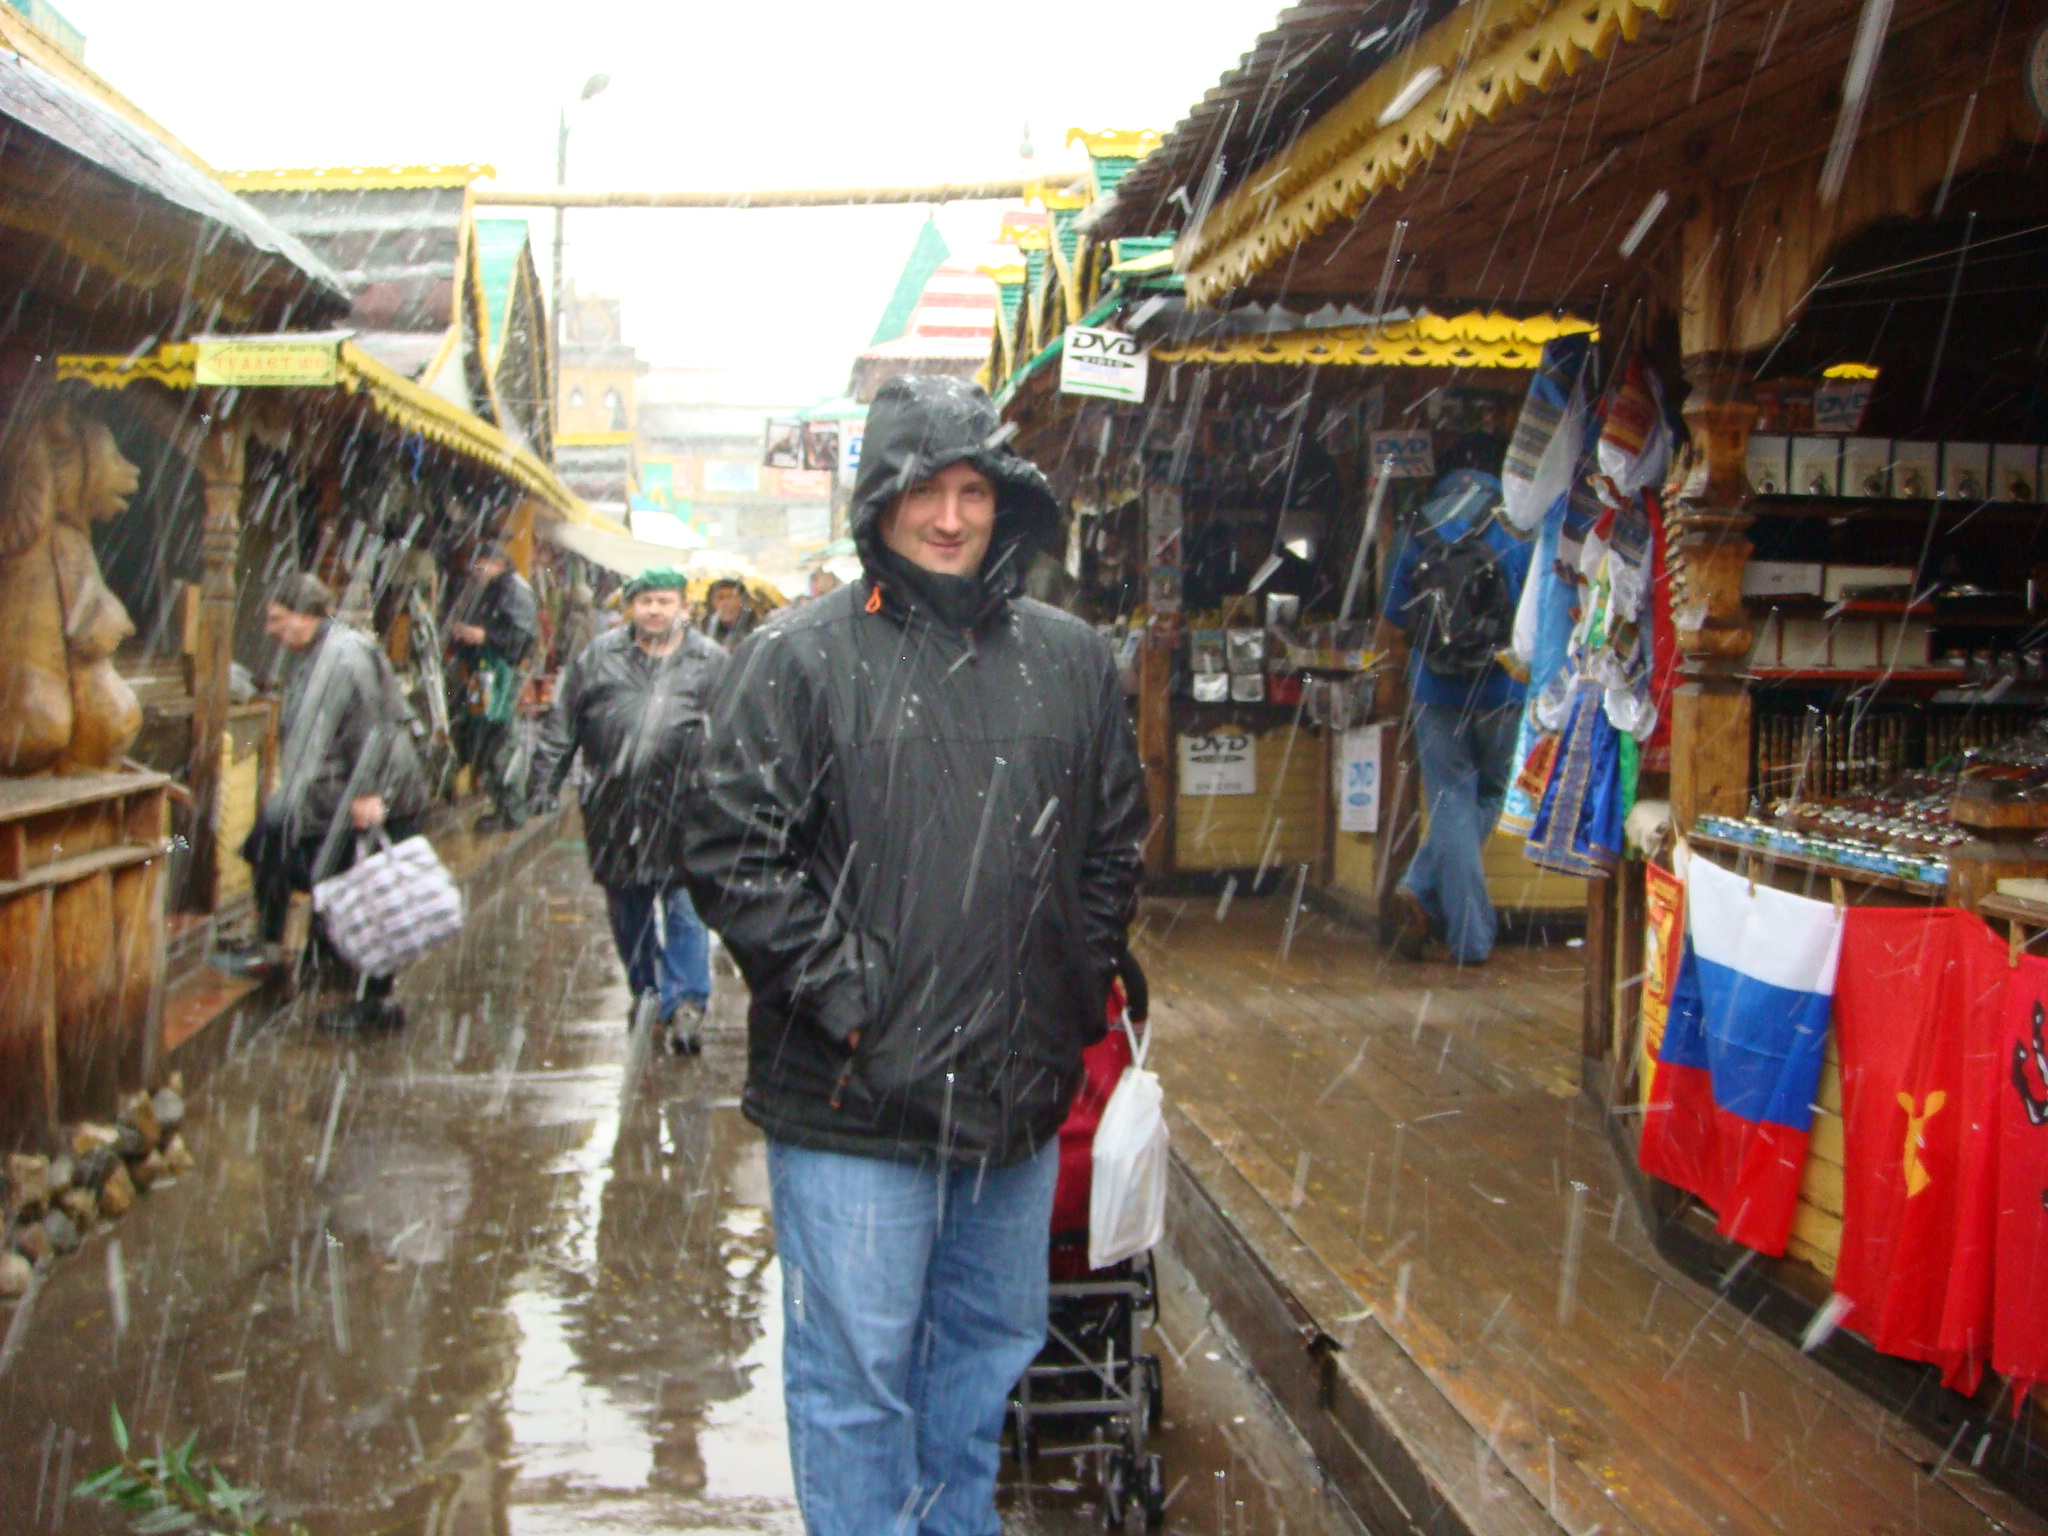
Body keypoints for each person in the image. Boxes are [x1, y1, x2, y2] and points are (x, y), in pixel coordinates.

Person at [684, 375, 1147, 1536]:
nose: (948, 519)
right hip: (853, 1107)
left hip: (1015, 1105)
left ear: (1005, 502)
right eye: (921, 492)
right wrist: (857, 1007)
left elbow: (1111, 846)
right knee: (855, 1386)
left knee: (980, 1365)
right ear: (877, 503)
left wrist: (1061, 999)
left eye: (971, 491)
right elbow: (733, 850)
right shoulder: (796, 658)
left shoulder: (1073, 662)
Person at [530, 567, 728, 1054]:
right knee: (628, 908)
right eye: (645, 602)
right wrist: (543, 783)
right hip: (614, 807)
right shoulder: (598, 658)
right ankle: (646, 990)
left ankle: (685, 1003)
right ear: (631, 608)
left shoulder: (711, 663)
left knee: (685, 906)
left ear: (683, 606)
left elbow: (737, 730)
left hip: (686, 808)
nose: (655, 611)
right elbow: (563, 723)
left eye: (664, 601)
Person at [220, 573, 431, 1030]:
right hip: (344, 791)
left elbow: (369, 726)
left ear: (307, 615)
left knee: (374, 894)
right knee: (277, 841)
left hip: (377, 794)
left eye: (278, 620)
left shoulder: (343, 655)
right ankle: (279, 948)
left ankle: (375, 1003)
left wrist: (368, 793)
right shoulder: (319, 650)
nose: (271, 630)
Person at [1382, 466, 1534, 965]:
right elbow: (1533, 609)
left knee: (1451, 800)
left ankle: (1421, 890)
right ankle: (1467, 937)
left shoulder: (1418, 526)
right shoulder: (1513, 524)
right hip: (1501, 686)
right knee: (1492, 793)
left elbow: (1395, 611)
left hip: (1436, 688)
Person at [448, 541, 538, 831]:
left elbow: (520, 637)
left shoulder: (513, 589)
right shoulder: (495, 589)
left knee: (499, 737)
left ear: (496, 563)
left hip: (500, 673)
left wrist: (484, 636)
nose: (476, 572)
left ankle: (510, 811)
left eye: (480, 565)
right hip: (482, 673)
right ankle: (501, 806)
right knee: (485, 733)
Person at [698, 576, 757, 650]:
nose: (727, 603)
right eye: (721, 598)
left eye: (732, 597)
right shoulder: (702, 632)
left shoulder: (757, 631)